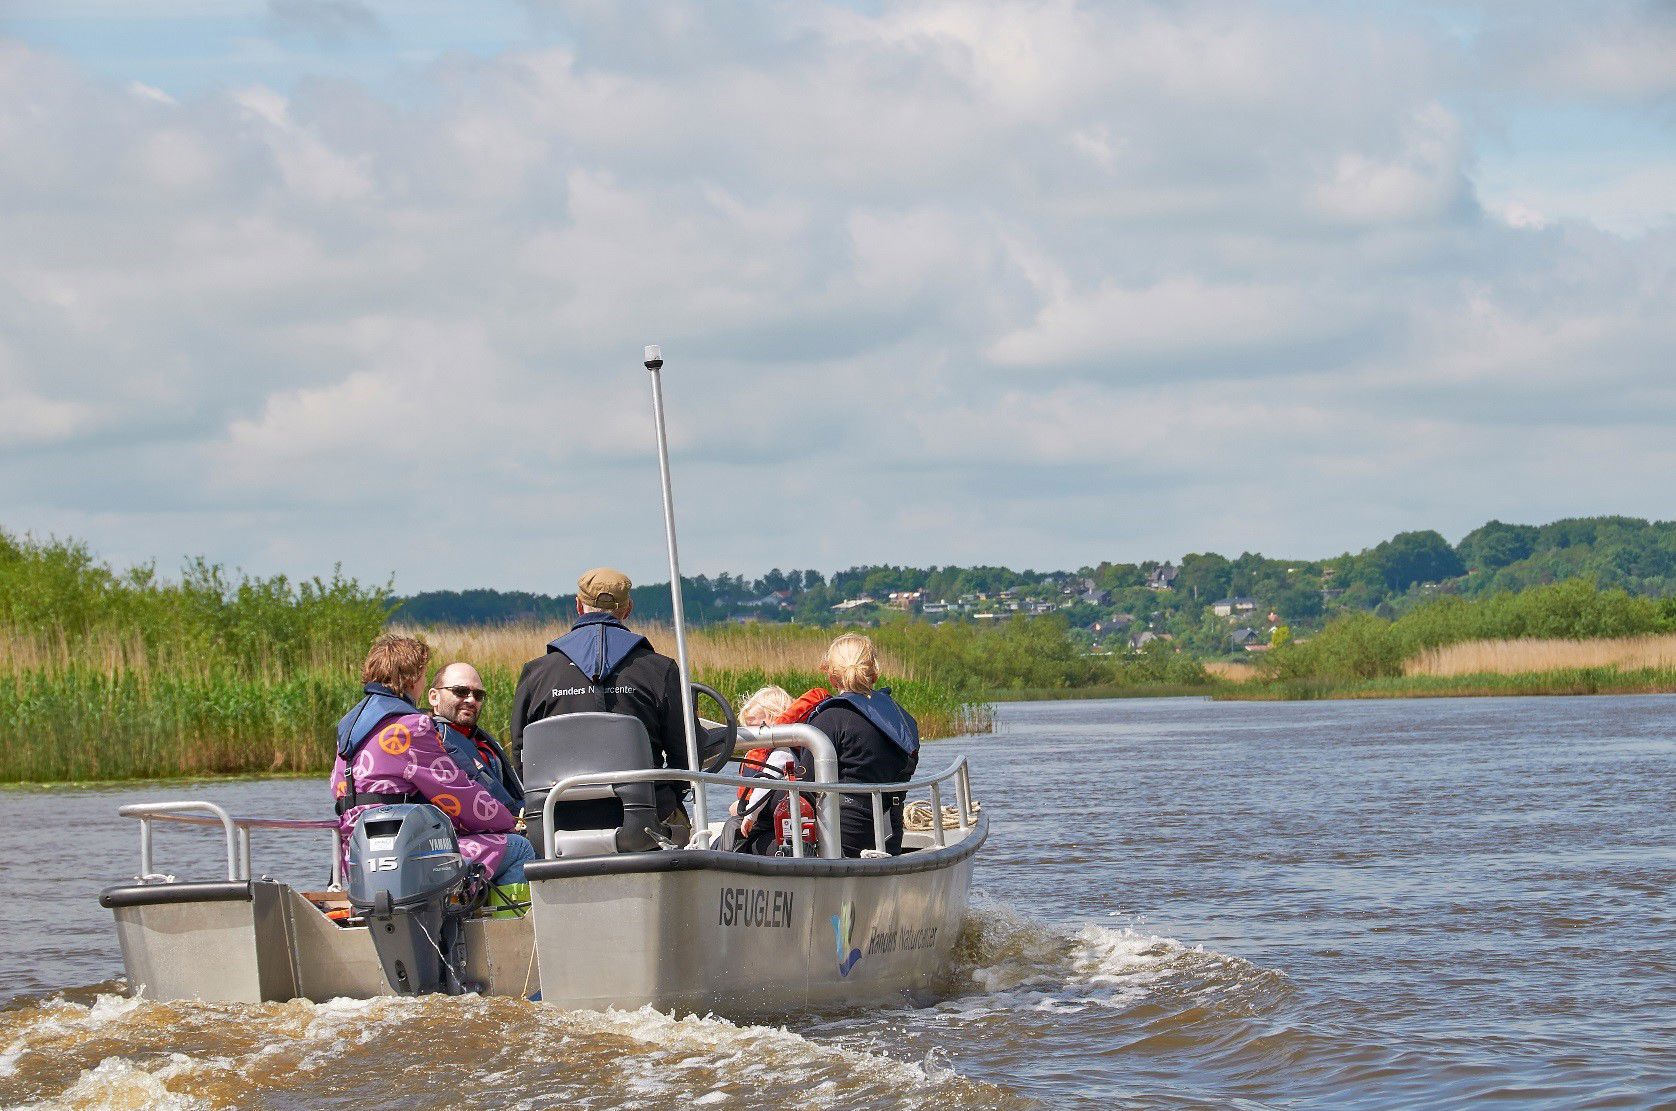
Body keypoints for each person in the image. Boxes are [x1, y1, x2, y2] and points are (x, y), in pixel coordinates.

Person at [510, 567, 701, 845]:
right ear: (628, 608)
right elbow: (686, 755)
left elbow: (520, 754)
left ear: (578, 605)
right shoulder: (660, 669)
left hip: (557, 823)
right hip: (643, 822)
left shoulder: (536, 673)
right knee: (692, 832)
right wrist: (667, 795)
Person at [332, 634, 536, 884]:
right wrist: (507, 820)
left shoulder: (351, 725)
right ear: (413, 677)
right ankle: (503, 921)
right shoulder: (409, 726)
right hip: (401, 856)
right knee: (518, 848)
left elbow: (338, 788)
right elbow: (455, 793)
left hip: (355, 856)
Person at [802, 634, 920, 857]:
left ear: (831, 676)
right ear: (874, 672)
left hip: (842, 840)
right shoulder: (902, 719)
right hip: (890, 836)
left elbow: (804, 785)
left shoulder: (829, 720)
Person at [428, 662, 522, 814]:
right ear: (434, 697)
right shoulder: (429, 740)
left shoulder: (485, 742)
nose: (471, 700)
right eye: (460, 691)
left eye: (478, 695)